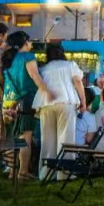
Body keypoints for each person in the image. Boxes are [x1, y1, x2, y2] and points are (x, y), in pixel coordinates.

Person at [2, 31, 54, 179]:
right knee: (26, 137)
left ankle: (12, 172)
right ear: (25, 42)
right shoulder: (28, 56)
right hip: (25, 100)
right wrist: (47, 92)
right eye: (30, 41)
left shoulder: (7, 58)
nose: (31, 44)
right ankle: (23, 172)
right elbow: (34, 75)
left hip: (8, 101)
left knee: (11, 137)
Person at [34, 43, 86, 180]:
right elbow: (78, 81)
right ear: (62, 53)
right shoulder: (70, 65)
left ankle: (46, 173)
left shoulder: (43, 68)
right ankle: (64, 173)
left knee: (47, 139)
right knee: (66, 138)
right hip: (66, 102)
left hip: (45, 103)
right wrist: (83, 101)